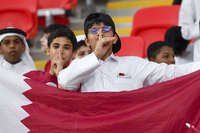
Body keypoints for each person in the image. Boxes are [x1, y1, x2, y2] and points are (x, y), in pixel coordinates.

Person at [58, 12, 200, 93]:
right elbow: (64, 83)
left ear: (114, 39)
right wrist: (96, 55)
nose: (100, 33)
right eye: (94, 31)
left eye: (106, 29)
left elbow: (173, 73)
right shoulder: (79, 66)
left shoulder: (134, 64)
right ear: (87, 42)